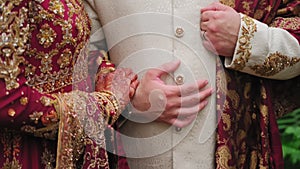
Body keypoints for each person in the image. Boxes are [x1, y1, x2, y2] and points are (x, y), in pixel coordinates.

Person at [86, 0, 300, 169]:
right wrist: (129, 99)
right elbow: (73, 59)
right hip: (131, 155)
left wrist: (245, 39)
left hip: (237, 151)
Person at [0, 0, 143, 168]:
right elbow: (8, 100)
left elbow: (62, 54)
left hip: (71, 147)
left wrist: (103, 75)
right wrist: (106, 104)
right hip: (27, 152)